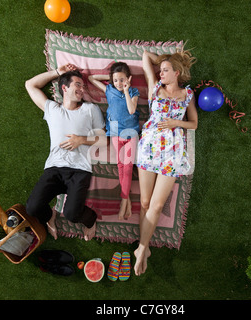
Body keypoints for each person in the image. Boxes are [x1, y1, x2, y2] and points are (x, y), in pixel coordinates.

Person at [25, 64, 106, 241]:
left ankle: (91, 220)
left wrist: (81, 140)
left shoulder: (90, 109)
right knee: (32, 208)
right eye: (78, 84)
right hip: (54, 168)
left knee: (72, 214)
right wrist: (57, 72)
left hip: (79, 170)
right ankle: (50, 216)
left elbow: (103, 140)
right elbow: (30, 85)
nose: (82, 88)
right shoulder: (52, 109)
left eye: (83, 86)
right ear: (64, 87)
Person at [134, 49, 198, 276]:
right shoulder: (155, 87)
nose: (160, 73)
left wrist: (174, 123)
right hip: (149, 148)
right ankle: (145, 247)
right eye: (160, 70)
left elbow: (194, 124)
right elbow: (144, 56)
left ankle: (141, 248)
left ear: (177, 73)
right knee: (144, 202)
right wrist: (163, 60)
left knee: (157, 205)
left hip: (172, 153)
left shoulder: (187, 94)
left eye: (165, 70)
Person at [88, 62, 140, 220]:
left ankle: (124, 202)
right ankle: (127, 200)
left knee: (128, 166)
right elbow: (91, 78)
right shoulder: (109, 89)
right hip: (116, 132)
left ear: (128, 79)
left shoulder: (133, 91)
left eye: (122, 80)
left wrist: (126, 90)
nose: (119, 83)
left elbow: (131, 110)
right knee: (121, 165)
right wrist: (111, 78)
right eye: (116, 80)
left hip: (131, 133)